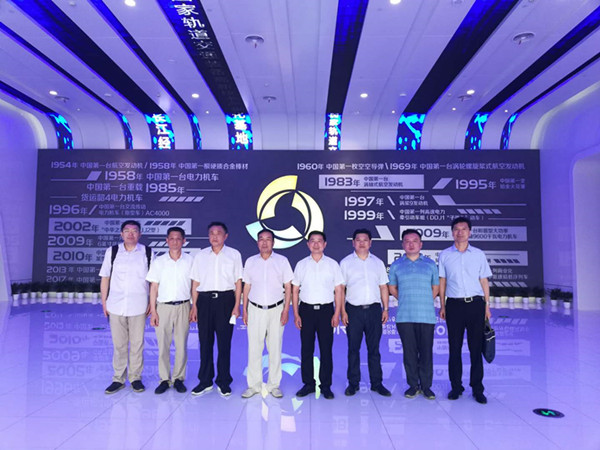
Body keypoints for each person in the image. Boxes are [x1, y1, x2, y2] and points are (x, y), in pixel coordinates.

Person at [439, 217, 492, 404]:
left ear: (470, 232)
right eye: (456, 229)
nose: (460, 232)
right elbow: (442, 281)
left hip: (476, 305)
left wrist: (487, 305)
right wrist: (443, 305)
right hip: (454, 306)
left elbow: (484, 280)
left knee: (476, 348)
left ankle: (477, 388)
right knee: (454, 348)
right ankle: (456, 387)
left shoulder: (478, 254)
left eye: (463, 229)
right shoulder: (444, 255)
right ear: (452, 232)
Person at [99, 220, 153, 394]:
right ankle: (118, 379)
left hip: (139, 306)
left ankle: (136, 378)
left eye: (134, 231)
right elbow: (105, 277)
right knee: (119, 345)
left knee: (137, 344)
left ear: (140, 234)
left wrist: (152, 303)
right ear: (121, 234)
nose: (131, 234)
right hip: (116, 305)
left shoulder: (148, 252)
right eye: (127, 231)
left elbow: (154, 281)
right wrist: (104, 302)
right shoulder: (113, 251)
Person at [189, 222, 242, 397]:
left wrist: (237, 305)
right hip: (204, 301)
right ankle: (205, 381)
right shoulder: (200, 256)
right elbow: (195, 282)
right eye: (211, 233)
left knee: (224, 343)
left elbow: (238, 282)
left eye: (219, 233)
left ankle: (224, 381)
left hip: (226, 301)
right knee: (205, 342)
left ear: (225, 236)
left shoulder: (234, 254)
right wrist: (194, 306)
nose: (215, 236)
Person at [241, 229, 293, 399]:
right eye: (261, 239)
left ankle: (274, 385)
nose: (264, 242)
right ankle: (254, 385)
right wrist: (244, 309)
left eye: (268, 239)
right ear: (257, 242)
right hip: (255, 309)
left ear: (273, 242)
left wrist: (286, 310)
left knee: (275, 348)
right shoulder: (250, 262)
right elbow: (246, 286)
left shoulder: (282, 261)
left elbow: (288, 287)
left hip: (277, 309)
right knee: (254, 348)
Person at [292, 230, 344, 400]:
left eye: (319, 241)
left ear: (325, 244)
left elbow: (339, 290)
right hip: (306, 311)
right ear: (308, 244)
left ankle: (326, 386)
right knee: (306, 349)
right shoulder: (301, 264)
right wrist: (296, 313)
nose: (316, 244)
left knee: (326, 350)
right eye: (312, 241)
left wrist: (337, 313)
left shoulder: (333, 265)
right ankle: (308, 384)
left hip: (326, 311)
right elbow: (295, 290)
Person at [388, 229, 439, 400]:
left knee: (426, 353)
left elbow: (435, 288)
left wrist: (424, 300)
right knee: (409, 353)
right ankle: (413, 386)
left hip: (426, 316)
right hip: (405, 316)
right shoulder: (396, 265)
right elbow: (392, 288)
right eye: (407, 241)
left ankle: (426, 386)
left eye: (414, 241)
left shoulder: (430, 264)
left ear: (421, 244)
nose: (411, 244)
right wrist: (405, 298)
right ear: (403, 244)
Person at [340, 229, 391, 397]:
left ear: (370, 242)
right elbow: (341, 289)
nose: (362, 243)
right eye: (358, 240)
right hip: (353, 310)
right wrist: (342, 311)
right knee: (353, 349)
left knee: (374, 349)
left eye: (365, 240)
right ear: (353, 242)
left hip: (374, 310)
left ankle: (377, 383)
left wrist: (385, 308)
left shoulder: (378, 263)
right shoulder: (345, 263)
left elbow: (383, 287)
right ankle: (353, 384)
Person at [146, 227, 193, 395]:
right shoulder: (159, 262)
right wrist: (153, 310)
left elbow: (195, 286)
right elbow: (154, 287)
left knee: (181, 345)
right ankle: (164, 379)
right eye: (171, 238)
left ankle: (179, 378)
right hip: (163, 307)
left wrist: (194, 306)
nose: (175, 241)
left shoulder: (190, 261)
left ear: (184, 241)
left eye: (178, 238)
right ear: (167, 241)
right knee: (163, 345)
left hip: (183, 306)